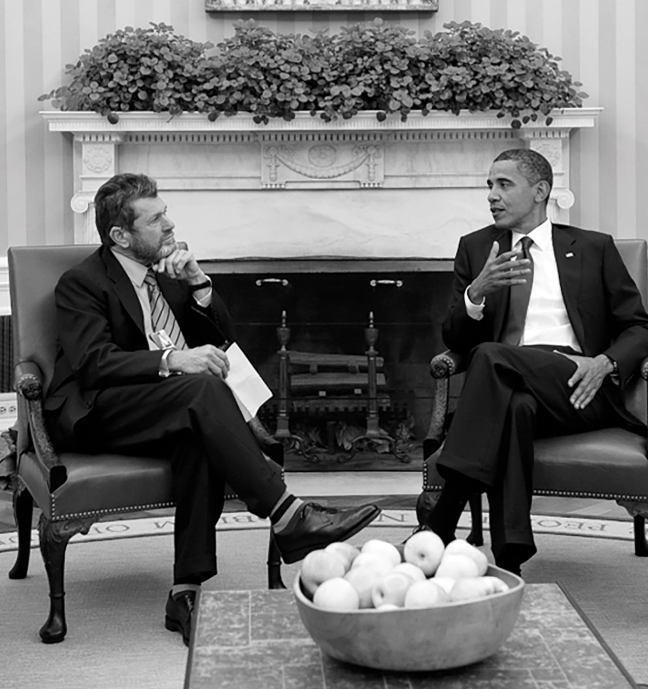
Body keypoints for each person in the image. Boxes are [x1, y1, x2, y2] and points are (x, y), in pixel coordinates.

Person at [44, 172, 379, 645]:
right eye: (156, 218)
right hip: (99, 411)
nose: (169, 224)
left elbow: (223, 340)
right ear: (121, 235)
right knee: (200, 391)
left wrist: (199, 284)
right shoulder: (82, 282)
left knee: (198, 434)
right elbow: (93, 364)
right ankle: (287, 515)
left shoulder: (170, 273)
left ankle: (185, 590)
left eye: (166, 213)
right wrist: (173, 359)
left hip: (170, 407)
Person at [423, 148, 648, 575]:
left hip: (581, 387)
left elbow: (639, 326)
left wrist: (604, 362)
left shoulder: (593, 248)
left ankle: (443, 517)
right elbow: (454, 339)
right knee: (514, 407)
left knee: (490, 356)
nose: (492, 195)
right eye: (489, 185)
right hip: (509, 385)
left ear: (540, 190)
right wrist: (477, 293)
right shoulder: (476, 249)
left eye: (504, 184)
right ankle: (512, 556)